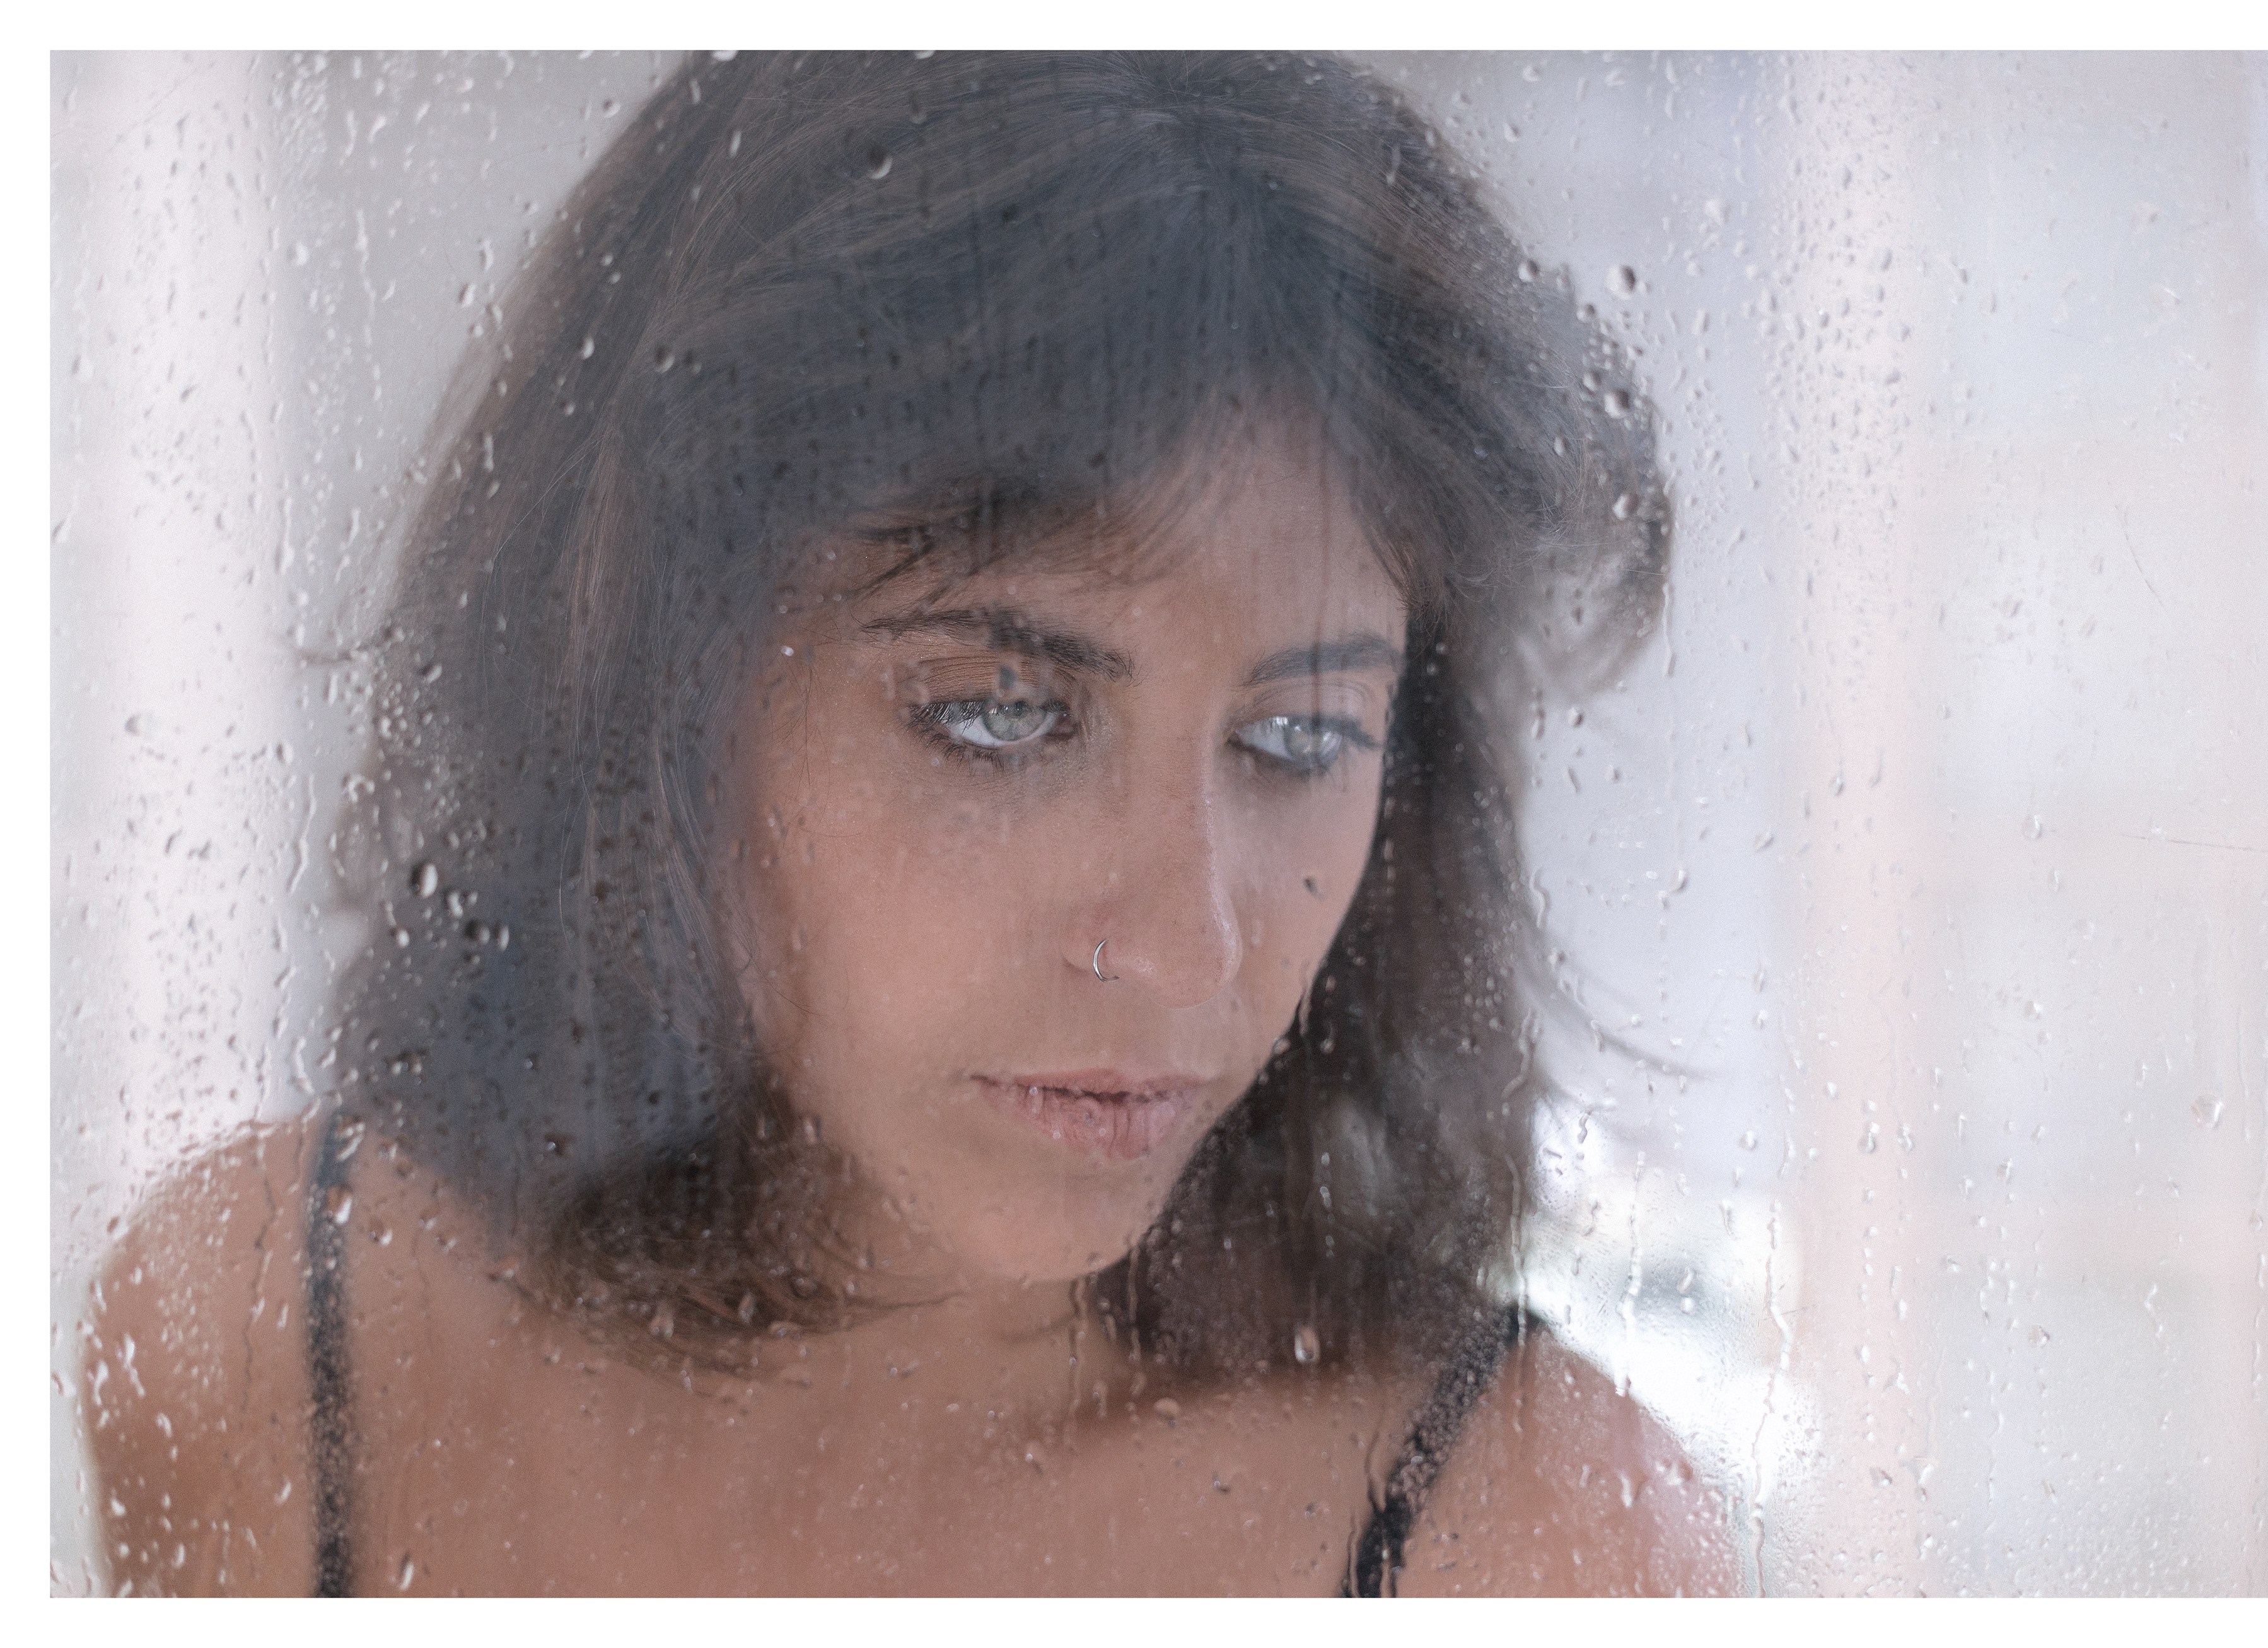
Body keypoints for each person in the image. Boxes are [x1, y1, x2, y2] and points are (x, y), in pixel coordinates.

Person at [84, 50, 1733, 1596]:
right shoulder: (259, 1336)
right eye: (1001, 713)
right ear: (653, 688)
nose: (1189, 949)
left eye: (1299, 738)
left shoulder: (1538, 1537)